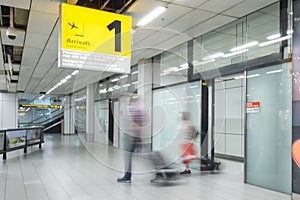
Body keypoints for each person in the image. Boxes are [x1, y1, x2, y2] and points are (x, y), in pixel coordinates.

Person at [117, 94, 147, 183]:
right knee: (143, 157)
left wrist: (135, 136)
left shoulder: (136, 109)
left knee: (129, 157)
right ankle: (127, 175)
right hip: (135, 138)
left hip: (133, 138)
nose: (128, 101)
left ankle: (127, 176)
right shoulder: (138, 109)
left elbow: (137, 125)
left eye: (130, 100)